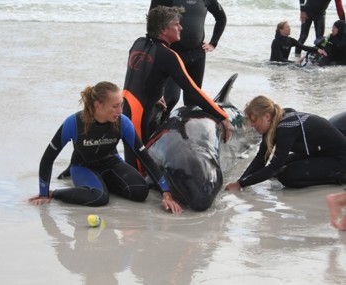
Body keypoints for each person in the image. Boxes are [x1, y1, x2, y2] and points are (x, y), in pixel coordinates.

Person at [29, 81, 182, 214]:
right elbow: (47, 158)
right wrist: (44, 194)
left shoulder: (123, 122)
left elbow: (145, 158)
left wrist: (166, 193)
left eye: (121, 105)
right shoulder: (74, 123)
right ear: (98, 105)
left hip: (111, 163)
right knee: (99, 198)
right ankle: (55, 193)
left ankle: (101, 183)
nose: (120, 111)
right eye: (115, 106)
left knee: (140, 191)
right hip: (83, 167)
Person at [123, 5, 231, 171]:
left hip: (124, 112)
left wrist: (155, 93)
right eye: (176, 24)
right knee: (140, 177)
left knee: (135, 164)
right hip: (139, 119)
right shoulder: (169, 56)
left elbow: (142, 73)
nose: (181, 27)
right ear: (164, 30)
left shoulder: (139, 43)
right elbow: (193, 92)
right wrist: (221, 115)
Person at [225, 95, 346, 191]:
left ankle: (339, 176)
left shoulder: (286, 127)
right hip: (321, 152)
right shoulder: (274, 124)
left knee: (286, 176)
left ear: (267, 116)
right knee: (284, 162)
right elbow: (261, 158)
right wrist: (240, 182)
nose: (252, 125)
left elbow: (274, 167)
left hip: (340, 158)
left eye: (254, 120)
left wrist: (241, 184)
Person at [149, 0, 227, 120]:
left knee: (193, 101)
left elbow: (221, 17)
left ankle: (187, 133)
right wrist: (158, 48)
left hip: (197, 55)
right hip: (173, 55)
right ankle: (156, 129)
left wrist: (213, 43)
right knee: (170, 98)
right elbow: (152, 21)